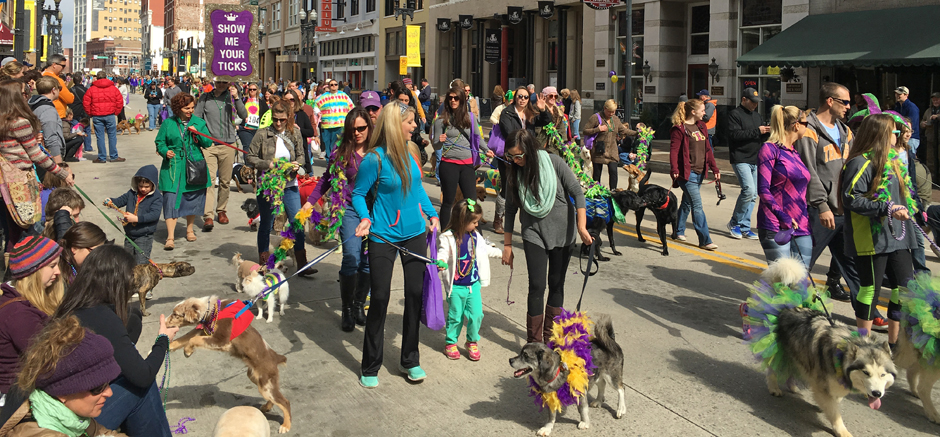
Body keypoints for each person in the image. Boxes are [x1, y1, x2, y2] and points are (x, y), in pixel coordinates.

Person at [351, 101, 440, 388]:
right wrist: (364, 218)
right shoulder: (373, 159)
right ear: (394, 124)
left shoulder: (411, 155)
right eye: (410, 122)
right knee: (379, 297)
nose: (415, 126)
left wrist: (432, 213)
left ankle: (410, 360)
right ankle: (371, 364)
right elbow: (358, 194)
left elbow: (416, 190)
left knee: (415, 295)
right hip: (383, 236)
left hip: (414, 232)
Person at [52, 245, 178, 436]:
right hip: (69, 422)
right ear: (117, 283)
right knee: (141, 385)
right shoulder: (102, 318)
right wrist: (163, 341)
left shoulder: (70, 306)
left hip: (54, 407)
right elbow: (142, 376)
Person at [501, 129, 592, 343]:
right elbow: (510, 209)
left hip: (563, 233)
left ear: (530, 151)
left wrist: (582, 227)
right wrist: (507, 245)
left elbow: (577, 193)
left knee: (556, 284)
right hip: (534, 234)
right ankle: (534, 343)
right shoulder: (514, 173)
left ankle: (551, 341)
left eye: (518, 156)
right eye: (511, 156)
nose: (515, 161)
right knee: (537, 286)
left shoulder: (554, 163)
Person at [841, 114, 917, 345]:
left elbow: (905, 194)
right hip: (871, 237)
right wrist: (887, 208)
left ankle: (893, 345)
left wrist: (917, 209)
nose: (897, 135)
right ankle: (862, 344)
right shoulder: (859, 162)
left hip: (899, 236)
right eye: (894, 132)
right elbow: (850, 199)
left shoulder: (894, 161)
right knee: (870, 290)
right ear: (881, 133)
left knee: (903, 290)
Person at [303, 107, 373, 331]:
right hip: (349, 209)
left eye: (362, 128)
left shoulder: (378, 150)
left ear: (369, 128)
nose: (357, 133)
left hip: (375, 211)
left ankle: (360, 303)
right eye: (353, 129)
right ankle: (348, 308)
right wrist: (310, 201)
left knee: (370, 261)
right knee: (351, 256)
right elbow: (326, 179)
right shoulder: (342, 150)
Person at [0, 316, 125, 436]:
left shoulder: (70, 416)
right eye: (98, 387)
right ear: (62, 393)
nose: (109, 393)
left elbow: (105, 434)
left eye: (108, 383)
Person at [794, 83, 860, 305]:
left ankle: (868, 314)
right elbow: (808, 170)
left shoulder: (845, 130)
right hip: (819, 211)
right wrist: (821, 205)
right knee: (801, 265)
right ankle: (781, 309)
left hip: (843, 209)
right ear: (830, 101)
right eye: (845, 102)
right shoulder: (808, 128)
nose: (849, 107)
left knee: (852, 266)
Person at [0, 80, 73, 248]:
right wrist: (63, 173)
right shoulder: (19, 122)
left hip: (4, 181)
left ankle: (10, 264)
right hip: (19, 182)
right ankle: (20, 269)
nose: (28, 96)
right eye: (25, 93)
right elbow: (36, 155)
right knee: (27, 230)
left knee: (11, 230)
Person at [246, 101, 314, 273]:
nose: (278, 123)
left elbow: (301, 156)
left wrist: (296, 165)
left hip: (290, 185)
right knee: (267, 223)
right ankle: (264, 262)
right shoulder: (262, 134)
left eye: (282, 120)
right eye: (275, 119)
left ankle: (302, 262)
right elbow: (250, 157)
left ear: (288, 118)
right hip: (269, 186)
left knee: (297, 222)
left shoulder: (294, 133)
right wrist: (267, 164)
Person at [0, 236, 64, 405]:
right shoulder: (18, 314)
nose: (58, 271)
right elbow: (50, 360)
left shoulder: (19, 299)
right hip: (16, 399)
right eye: (52, 266)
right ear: (32, 271)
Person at [438, 199, 503, 361]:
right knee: (456, 316)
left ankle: (472, 341)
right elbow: (443, 252)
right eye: (474, 222)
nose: (476, 225)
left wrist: (502, 254)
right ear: (462, 221)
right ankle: (451, 343)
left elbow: (486, 250)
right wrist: (442, 262)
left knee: (477, 315)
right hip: (457, 287)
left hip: (473, 286)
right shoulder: (447, 238)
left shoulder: (476, 237)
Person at [756, 106, 812, 266]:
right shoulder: (770, 149)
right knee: (782, 283)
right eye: (806, 123)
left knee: (801, 281)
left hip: (801, 223)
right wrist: (782, 216)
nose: (808, 127)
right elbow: (763, 190)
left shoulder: (794, 152)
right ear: (796, 125)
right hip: (775, 223)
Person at [156, 93, 212, 251]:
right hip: (173, 167)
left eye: (192, 108)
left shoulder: (199, 123)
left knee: (192, 198)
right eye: (187, 108)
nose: (190, 111)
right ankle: (170, 236)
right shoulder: (168, 123)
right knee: (170, 199)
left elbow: (208, 142)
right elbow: (160, 142)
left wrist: (198, 134)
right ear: (177, 108)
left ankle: (189, 229)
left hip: (194, 166)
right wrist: (165, 151)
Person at [433, 86, 491, 227]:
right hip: (449, 164)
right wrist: (438, 141)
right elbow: (435, 146)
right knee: (448, 201)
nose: (453, 100)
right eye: (450, 98)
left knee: (471, 200)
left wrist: (486, 150)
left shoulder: (470, 118)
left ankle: (475, 232)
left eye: (456, 98)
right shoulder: (441, 120)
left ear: (462, 100)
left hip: (467, 165)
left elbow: (477, 137)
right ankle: (446, 232)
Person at [193, 81, 247, 231]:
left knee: (224, 180)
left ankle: (221, 210)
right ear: (214, 81)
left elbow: (244, 115)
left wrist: (237, 97)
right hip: (209, 145)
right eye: (219, 81)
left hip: (228, 144)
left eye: (225, 81)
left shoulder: (231, 97)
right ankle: (208, 215)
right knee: (209, 180)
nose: (221, 84)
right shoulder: (205, 97)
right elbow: (197, 118)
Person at [669, 99, 720, 250]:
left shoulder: (701, 126)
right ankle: (705, 240)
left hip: (699, 171)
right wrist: (674, 170)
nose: (705, 113)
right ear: (693, 111)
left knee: (687, 202)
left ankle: (678, 231)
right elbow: (674, 151)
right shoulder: (679, 129)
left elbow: (708, 150)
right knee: (697, 205)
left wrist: (715, 169)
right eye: (703, 110)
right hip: (687, 173)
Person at [727, 87, 771, 240]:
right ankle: (734, 222)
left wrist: (767, 134)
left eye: (757, 102)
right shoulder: (734, 114)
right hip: (740, 158)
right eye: (752, 102)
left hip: (755, 158)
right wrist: (757, 131)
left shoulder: (757, 116)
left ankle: (745, 226)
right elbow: (735, 135)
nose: (755, 105)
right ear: (744, 100)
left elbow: (759, 137)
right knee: (748, 190)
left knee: (753, 195)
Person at [105, 165, 163, 266]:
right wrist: (111, 201)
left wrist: (136, 219)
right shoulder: (132, 193)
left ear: (153, 185)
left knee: (140, 263)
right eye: (141, 186)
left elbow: (154, 215)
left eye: (146, 187)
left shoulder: (157, 198)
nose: (143, 189)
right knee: (127, 261)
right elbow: (121, 200)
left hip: (144, 236)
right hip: (129, 234)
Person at [582, 99, 638, 189]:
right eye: (609, 111)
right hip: (599, 150)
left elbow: (623, 130)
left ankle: (613, 192)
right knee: (597, 174)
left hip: (612, 150)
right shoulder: (595, 117)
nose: (611, 113)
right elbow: (585, 131)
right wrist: (598, 129)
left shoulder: (615, 119)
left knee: (613, 172)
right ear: (604, 108)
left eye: (613, 111)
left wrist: (636, 133)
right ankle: (596, 192)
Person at [83, 71, 124, 164]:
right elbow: (119, 101)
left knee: (100, 136)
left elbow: (86, 103)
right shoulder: (113, 88)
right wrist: (116, 112)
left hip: (97, 115)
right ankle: (113, 156)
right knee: (112, 136)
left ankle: (102, 157)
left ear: (97, 78)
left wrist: (90, 113)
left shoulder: (91, 89)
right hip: (110, 114)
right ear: (106, 77)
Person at [27, 76, 66, 163]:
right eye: (59, 89)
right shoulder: (47, 109)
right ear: (53, 90)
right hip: (48, 156)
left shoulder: (34, 103)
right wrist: (58, 162)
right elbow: (50, 137)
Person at [313, 79, 355, 159]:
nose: (334, 86)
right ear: (329, 86)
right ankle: (329, 162)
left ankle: (336, 161)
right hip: (327, 126)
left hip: (340, 125)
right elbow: (315, 106)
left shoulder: (344, 95)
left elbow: (351, 107)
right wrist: (318, 113)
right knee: (328, 145)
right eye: (331, 85)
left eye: (335, 84)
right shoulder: (323, 97)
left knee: (337, 145)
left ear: (338, 86)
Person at [282, 89, 315, 175]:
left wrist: (299, 129)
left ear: (296, 101)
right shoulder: (279, 115)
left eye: (292, 100)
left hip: (299, 152)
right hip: (283, 153)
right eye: (286, 100)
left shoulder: (301, 114)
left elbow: (310, 132)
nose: (289, 102)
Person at [40, 54, 73, 118]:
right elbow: (69, 99)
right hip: (57, 114)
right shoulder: (57, 80)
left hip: (43, 112)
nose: (63, 68)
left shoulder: (41, 75)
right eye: (63, 66)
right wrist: (71, 94)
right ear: (54, 65)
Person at [894, 86, 920, 155]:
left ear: (906, 95)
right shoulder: (897, 107)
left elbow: (911, 124)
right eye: (896, 94)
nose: (897, 96)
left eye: (899, 94)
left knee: (910, 159)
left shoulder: (912, 107)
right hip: (901, 137)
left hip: (911, 138)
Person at [920, 92, 940, 173]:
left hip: (939, 138)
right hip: (930, 139)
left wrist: (938, 116)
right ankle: (932, 178)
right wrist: (922, 124)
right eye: (933, 100)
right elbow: (922, 121)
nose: (935, 101)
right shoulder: (928, 111)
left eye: (937, 99)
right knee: (930, 159)